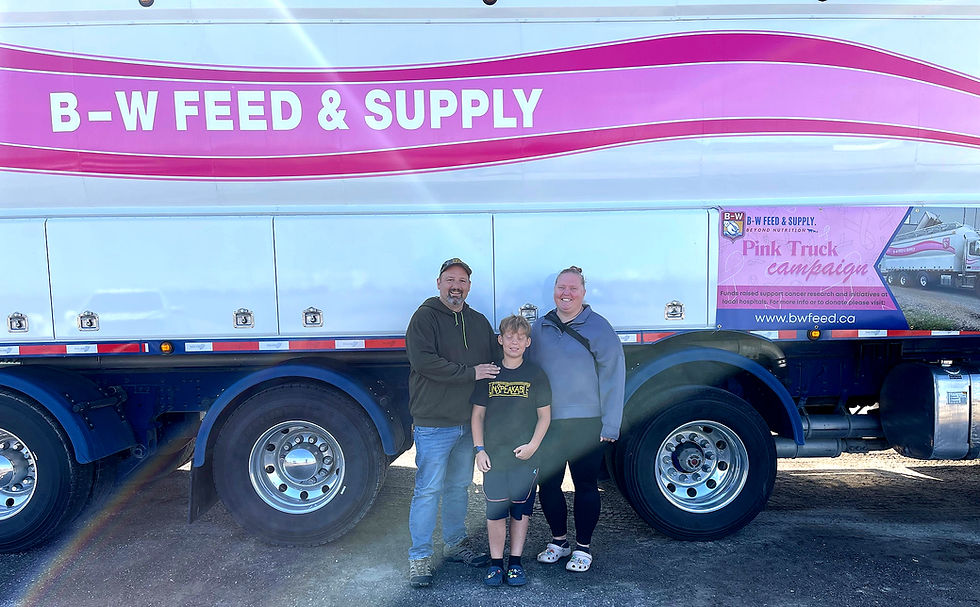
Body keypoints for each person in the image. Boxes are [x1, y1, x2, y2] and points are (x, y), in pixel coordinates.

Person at [406, 258, 501, 588]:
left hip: (467, 424)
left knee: (459, 487)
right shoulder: (425, 317)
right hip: (434, 423)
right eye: (450, 280)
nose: (455, 286)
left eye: (462, 281)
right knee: (428, 489)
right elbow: (424, 362)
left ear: (469, 287)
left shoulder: (477, 322)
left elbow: (497, 358)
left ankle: (454, 544)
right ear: (438, 283)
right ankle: (419, 557)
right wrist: (471, 373)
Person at [527, 265, 626, 573]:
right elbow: (526, 373)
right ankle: (559, 542)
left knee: (585, 485)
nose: (566, 293)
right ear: (554, 291)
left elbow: (614, 377)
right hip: (549, 424)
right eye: (561, 287)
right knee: (550, 486)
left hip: (586, 422)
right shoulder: (539, 328)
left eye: (572, 288)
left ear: (584, 292)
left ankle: (583, 547)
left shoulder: (599, 327)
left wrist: (611, 424)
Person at [471, 315, 551, 587]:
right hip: (494, 457)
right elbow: (477, 416)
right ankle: (496, 564)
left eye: (520, 338)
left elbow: (544, 417)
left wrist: (533, 446)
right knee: (495, 512)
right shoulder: (490, 374)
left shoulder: (536, 374)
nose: (514, 342)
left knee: (520, 510)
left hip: (525, 457)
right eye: (510, 337)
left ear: (528, 342)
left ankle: (515, 563)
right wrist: (479, 450)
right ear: (500, 340)